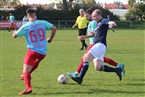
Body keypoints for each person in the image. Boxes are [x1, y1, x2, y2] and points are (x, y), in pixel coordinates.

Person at [67, 9, 125, 78]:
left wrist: (112, 23)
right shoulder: (98, 23)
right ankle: (117, 69)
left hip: (98, 45)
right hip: (98, 45)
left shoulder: (103, 21)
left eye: (94, 16)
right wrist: (84, 37)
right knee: (98, 67)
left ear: (98, 15)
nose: (92, 18)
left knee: (85, 58)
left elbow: (109, 22)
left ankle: (79, 77)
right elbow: (95, 34)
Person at [12, 8, 57, 94]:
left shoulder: (25, 26)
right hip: (43, 53)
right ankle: (25, 76)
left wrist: (14, 32)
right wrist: (50, 39)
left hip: (32, 52)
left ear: (27, 16)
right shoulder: (43, 22)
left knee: (25, 70)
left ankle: (28, 87)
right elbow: (54, 28)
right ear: (35, 15)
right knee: (34, 63)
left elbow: (15, 36)